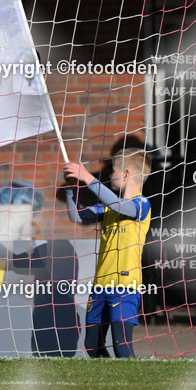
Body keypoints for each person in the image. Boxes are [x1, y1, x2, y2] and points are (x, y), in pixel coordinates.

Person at [63, 148, 152, 358]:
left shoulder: (141, 204)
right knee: (92, 346)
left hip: (125, 286)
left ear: (127, 174)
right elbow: (76, 216)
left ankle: (134, 378)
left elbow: (119, 205)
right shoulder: (109, 209)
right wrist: (71, 189)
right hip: (100, 285)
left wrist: (87, 177)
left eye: (113, 170)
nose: (110, 175)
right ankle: (108, 378)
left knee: (121, 345)